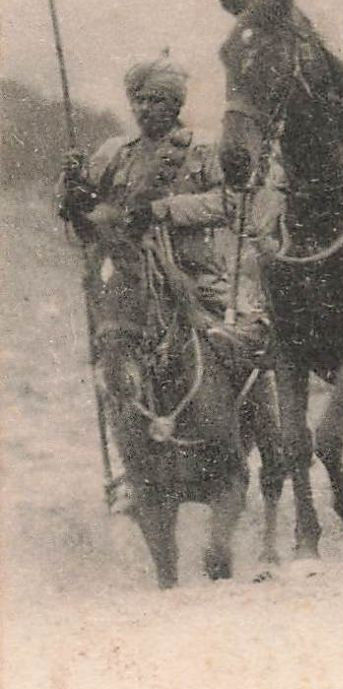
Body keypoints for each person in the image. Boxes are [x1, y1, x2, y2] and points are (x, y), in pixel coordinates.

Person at [57, 53, 263, 511]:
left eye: (155, 100)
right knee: (113, 362)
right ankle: (133, 471)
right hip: (131, 273)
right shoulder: (114, 153)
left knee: (248, 340)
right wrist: (70, 190)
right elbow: (87, 219)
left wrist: (165, 210)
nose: (144, 108)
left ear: (174, 104)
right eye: (139, 100)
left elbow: (231, 204)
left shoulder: (200, 149)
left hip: (194, 272)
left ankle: (251, 445)